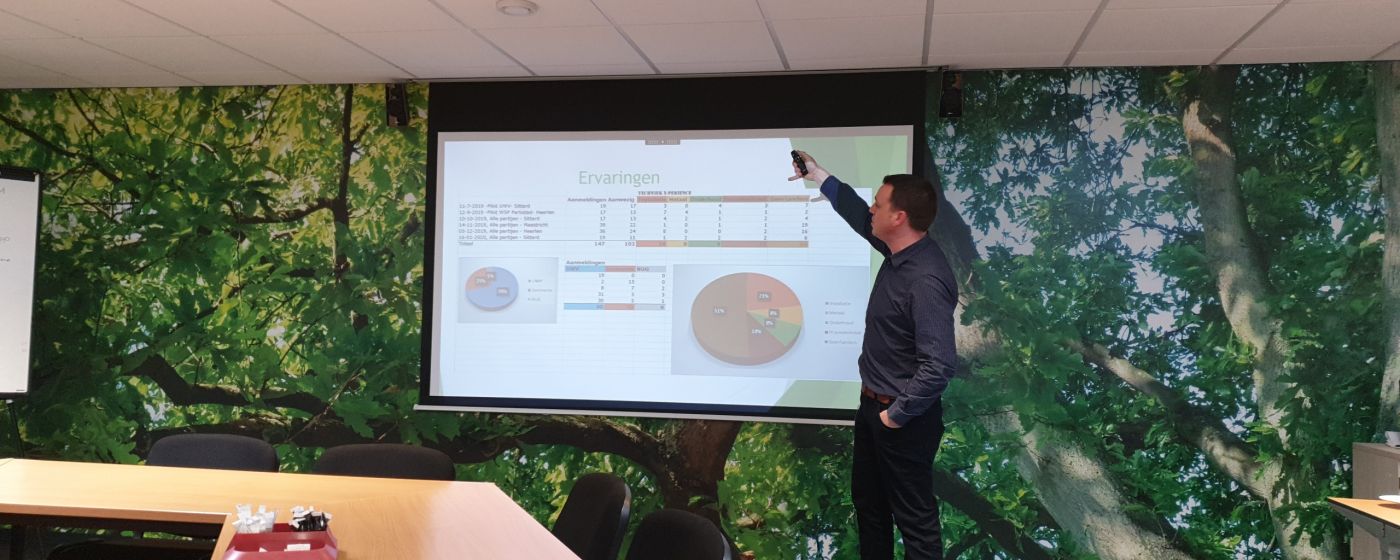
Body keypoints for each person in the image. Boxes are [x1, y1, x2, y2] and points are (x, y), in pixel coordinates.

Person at [790, 151, 957, 560]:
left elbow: (938, 365)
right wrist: (820, 175)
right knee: (870, 508)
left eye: (879, 204)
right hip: (873, 408)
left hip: (903, 419)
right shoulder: (899, 250)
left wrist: (894, 416)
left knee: (915, 524)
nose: (872, 209)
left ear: (898, 217)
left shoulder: (926, 279)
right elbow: (857, 215)